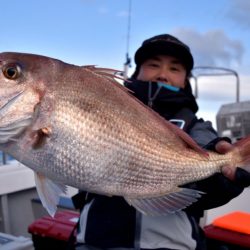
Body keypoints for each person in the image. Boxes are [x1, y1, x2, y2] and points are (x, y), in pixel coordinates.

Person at [73, 34, 250, 250]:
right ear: (137, 73)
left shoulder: (196, 125)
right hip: (93, 243)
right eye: (153, 65)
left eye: (174, 69)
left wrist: (220, 178)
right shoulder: (103, 112)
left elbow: (206, 154)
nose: (163, 74)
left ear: (185, 81)